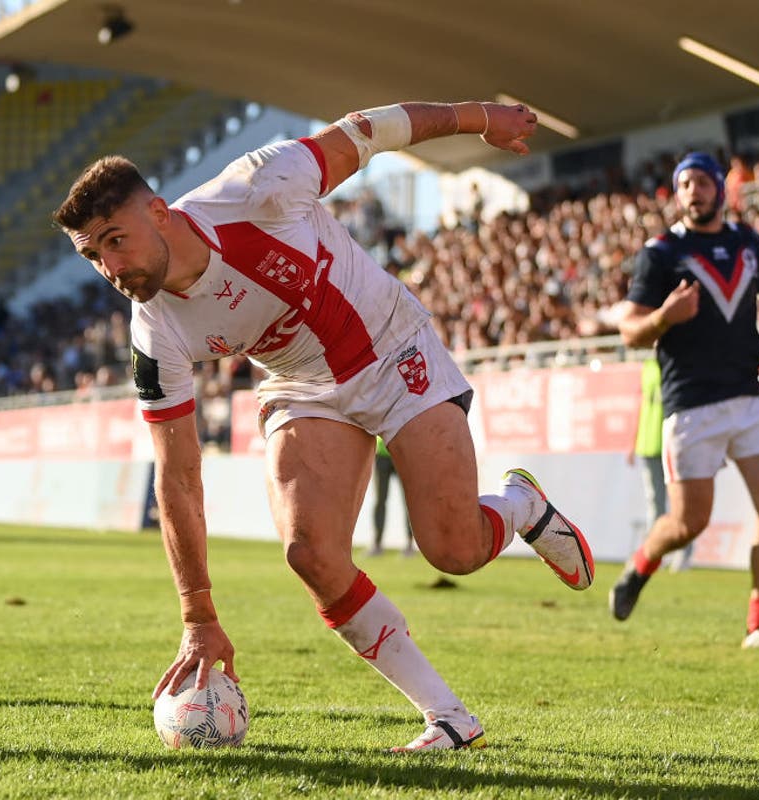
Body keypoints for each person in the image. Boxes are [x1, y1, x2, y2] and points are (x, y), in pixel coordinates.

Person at [52, 99, 595, 751]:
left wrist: (478, 116)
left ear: (161, 212)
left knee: (454, 550)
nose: (111, 268)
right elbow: (178, 475)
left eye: (116, 241)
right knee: (309, 554)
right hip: (301, 385)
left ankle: (518, 504)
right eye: (92, 256)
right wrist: (198, 614)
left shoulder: (258, 187)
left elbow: (368, 131)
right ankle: (449, 717)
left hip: (393, 348)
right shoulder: (153, 332)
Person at [613, 152, 759, 650]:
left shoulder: (748, 243)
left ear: (721, 188)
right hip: (690, 403)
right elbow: (630, 329)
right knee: (687, 522)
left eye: (701, 181)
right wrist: (664, 318)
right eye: (683, 184)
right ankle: (640, 566)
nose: (692, 191)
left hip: (747, 395)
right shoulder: (659, 253)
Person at [626, 356, 689, 570]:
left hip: (672, 442)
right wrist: (633, 442)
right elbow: (641, 405)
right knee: (655, 503)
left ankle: (684, 554)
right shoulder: (648, 366)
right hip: (648, 443)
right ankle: (655, 554)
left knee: (682, 503)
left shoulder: (675, 361)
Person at [369, 436, 415, 557]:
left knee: (409, 501)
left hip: (403, 452)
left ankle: (410, 545)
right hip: (381, 455)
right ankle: (377, 544)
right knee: (380, 500)